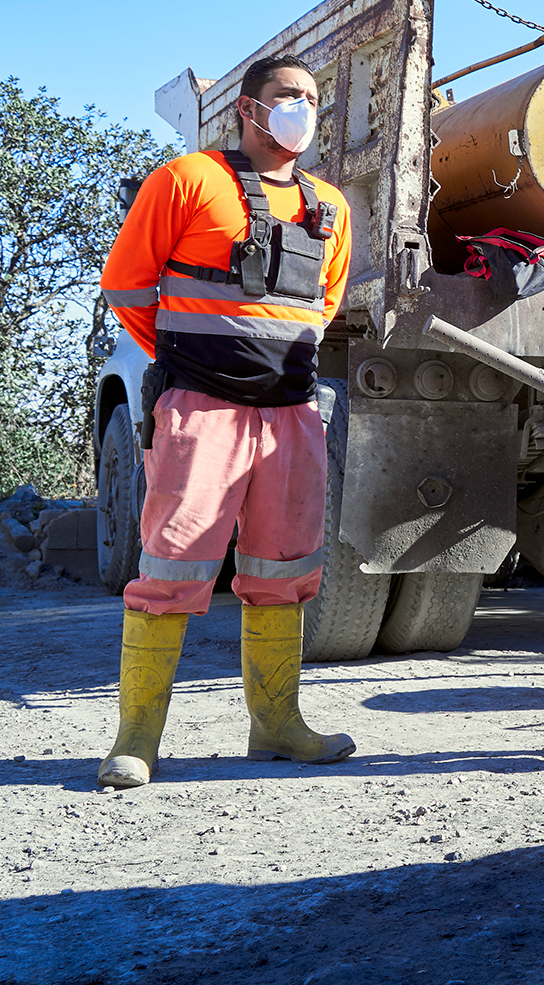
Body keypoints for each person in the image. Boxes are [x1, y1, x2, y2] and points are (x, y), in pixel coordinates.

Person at [95, 54, 355, 789]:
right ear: (248, 108)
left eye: (310, 97)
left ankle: (277, 727)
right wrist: (191, 357)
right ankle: (136, 739)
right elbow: (126, 287)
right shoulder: (184, 181)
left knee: (282, 570)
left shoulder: (329, 205)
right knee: (171, 570)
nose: (301, 108)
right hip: (200, 408)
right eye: (286, 96)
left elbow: (321, 309)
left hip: (291, 415)